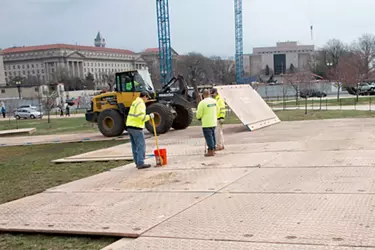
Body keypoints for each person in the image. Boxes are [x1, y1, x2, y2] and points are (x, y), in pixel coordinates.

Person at [126, 92, 155, 169]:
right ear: (144, 96)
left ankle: (137, 162)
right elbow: (141, 117)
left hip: (130, 126)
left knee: (135, 146)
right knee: (141, 145)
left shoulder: (135, 102)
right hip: (136, 127)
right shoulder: (141, 104)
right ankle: (140, 163)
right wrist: (149, 116)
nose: (147, 100)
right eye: (147, 98)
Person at [196, 89, 218, 157]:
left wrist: (199, 117)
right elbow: (218, 110)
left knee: (208, 137)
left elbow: (199, 113)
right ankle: (214, 148)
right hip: (213, 122)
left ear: (203, 95)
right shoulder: (214, 101)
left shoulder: (202, 103)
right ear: (209, 94)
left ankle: (211, 150)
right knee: (213, 136)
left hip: (206, 123)